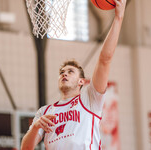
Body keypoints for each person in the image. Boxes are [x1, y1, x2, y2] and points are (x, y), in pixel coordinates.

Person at [21, 0, 126, 149]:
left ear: (81, 81)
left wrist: (118, 17)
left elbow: (104, 59)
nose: (64, 74)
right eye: (62, 72)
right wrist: (36, 126)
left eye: (70, 72)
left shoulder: (90, 98)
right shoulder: (44, 112)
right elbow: (25, 148)